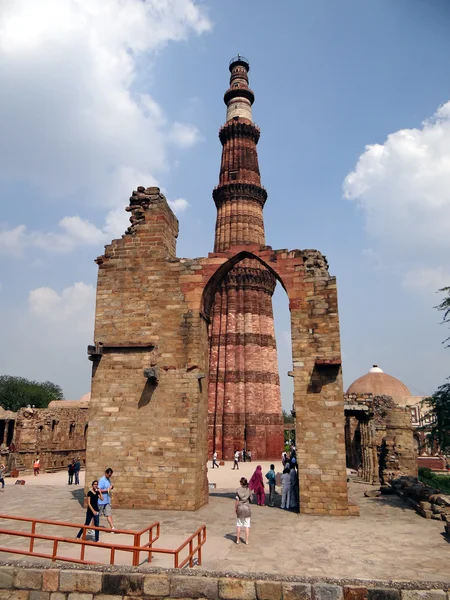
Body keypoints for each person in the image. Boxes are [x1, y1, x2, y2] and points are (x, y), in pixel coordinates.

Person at [235, 477, 251, 545]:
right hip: (247, 508)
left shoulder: (238, 490)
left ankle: (238, 540)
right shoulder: (248, 490)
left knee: (239, 525)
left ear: (241, 483)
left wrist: (235, 509)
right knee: (247, 525)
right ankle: (247, 540)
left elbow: (237, 501)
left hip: (240, 508)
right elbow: (251, 499)